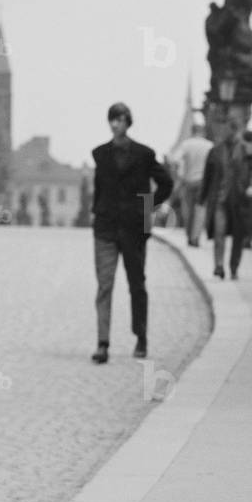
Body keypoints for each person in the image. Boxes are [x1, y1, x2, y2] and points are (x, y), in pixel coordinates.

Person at [90, 102, 173, 363]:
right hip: (105, 227)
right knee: (105, 286)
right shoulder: (100, 154)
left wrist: (148, 208)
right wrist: (97, 212)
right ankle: (103, 343)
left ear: (128, 122)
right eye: (111, 120)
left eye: (119, 119)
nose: (115, 124)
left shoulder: (144, 155)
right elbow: (99, 189)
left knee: (137, 284)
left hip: (136, 227)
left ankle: (141, 336)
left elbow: (166, 183)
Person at [200, 117, 252, 280]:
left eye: (226, 130)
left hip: (239, 199)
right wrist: (202, 197)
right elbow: (207, 175)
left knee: (238, 237)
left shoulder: (247, 150)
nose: (223, 133)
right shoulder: (215, 150)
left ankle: (234, 267)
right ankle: (218, 265)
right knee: (219, 232)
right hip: (220, 199)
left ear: (235, 130)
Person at [173, 118, 212, 247]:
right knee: (200, 210)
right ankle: (195, 237)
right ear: (203, 132)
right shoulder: (209, 146)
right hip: (203, 182)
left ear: (192, 131)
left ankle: (189, 235)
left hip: (188, 181)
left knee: (188, 211)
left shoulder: (186, 144)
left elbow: (175, 159)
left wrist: (180, 174)